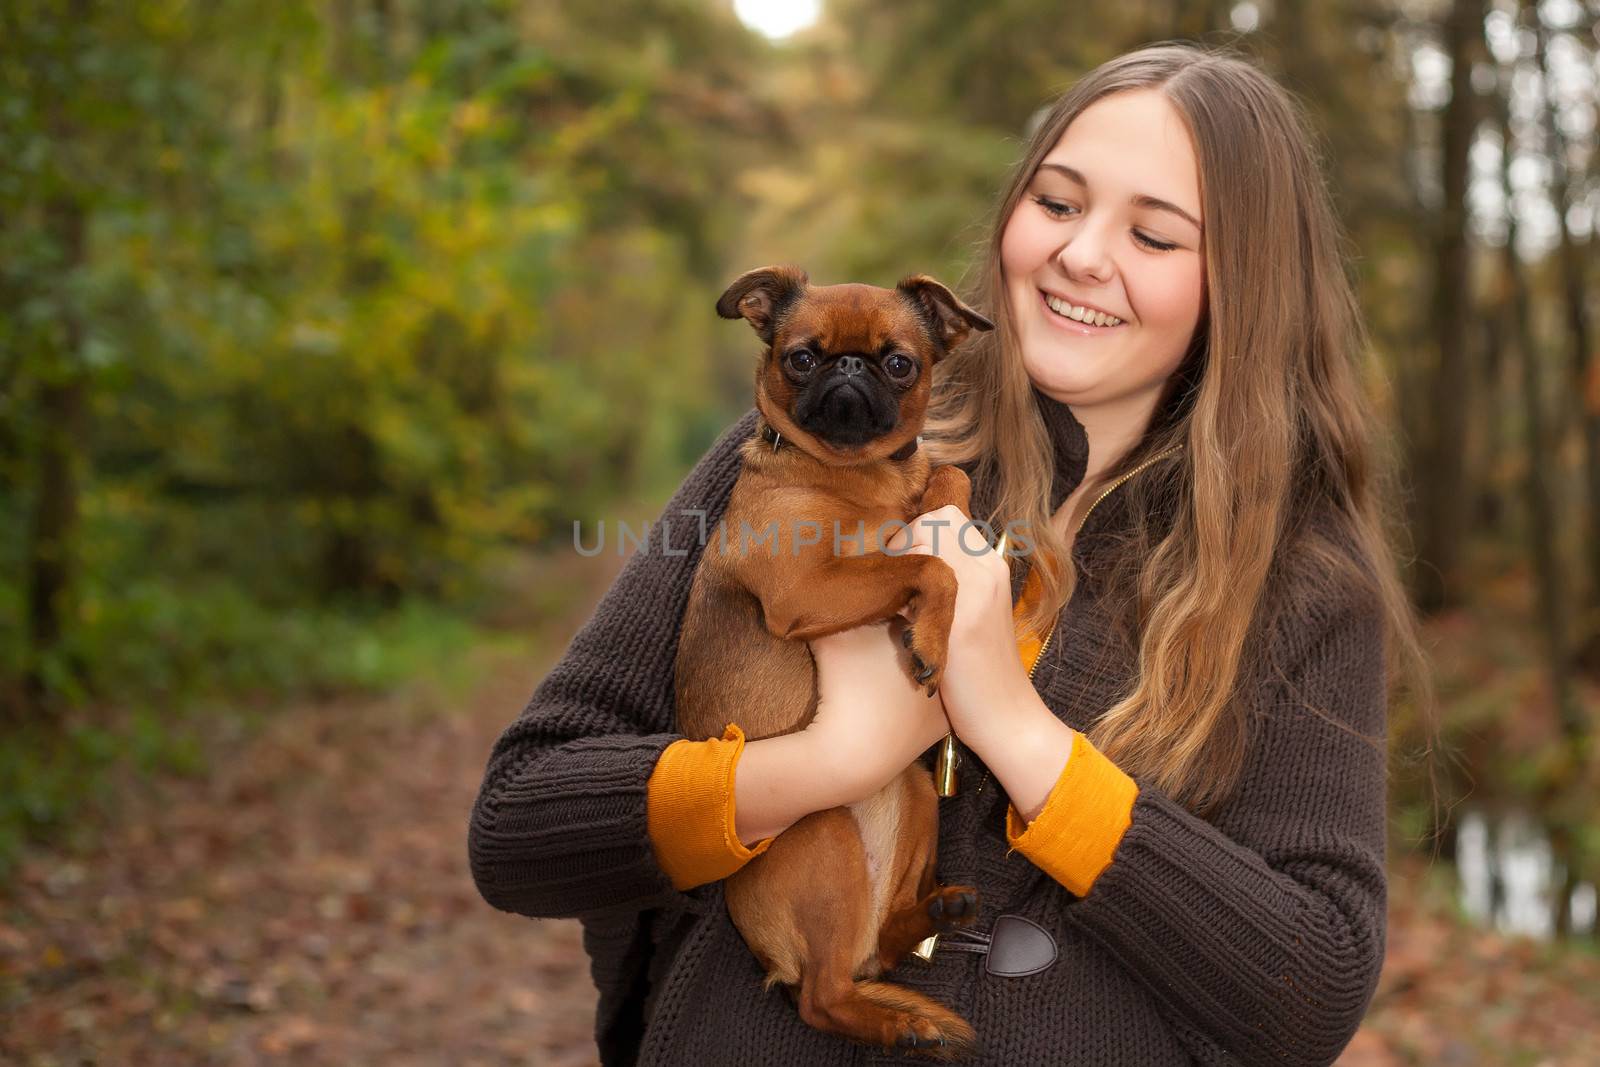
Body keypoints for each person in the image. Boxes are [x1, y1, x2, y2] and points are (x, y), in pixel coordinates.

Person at [468, 41, 1436, 1067]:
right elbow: (521, 825)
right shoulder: (790, 461)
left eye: (1154, 234)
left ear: (1244, 283)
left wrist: (1019, 732)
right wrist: (830, 759)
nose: (1081, 253)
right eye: (1056, 203)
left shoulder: (1301, 580)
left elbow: (1314, 986)